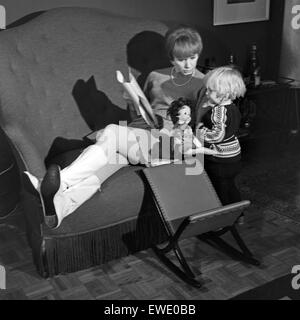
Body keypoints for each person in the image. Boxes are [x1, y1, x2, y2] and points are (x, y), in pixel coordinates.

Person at [25, 25, 212, 229]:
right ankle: (61, 208)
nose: (187, 64)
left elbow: (199, 126)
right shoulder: (155, 77)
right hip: (144, 135)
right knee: (108, 163)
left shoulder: (203, 83)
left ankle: (60, 181)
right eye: (181, 58)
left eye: (192, 57)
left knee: (112, 132)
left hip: (170, 145)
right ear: (171, 57)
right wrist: (133, 101)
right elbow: (141, 115)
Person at [197, 66, 246, 209]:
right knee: (230, 186)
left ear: (225, 93)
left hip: (220, 159)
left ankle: (223, 218)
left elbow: (217, 135)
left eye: (210, 90)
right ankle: (239, 214)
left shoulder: (218, 111)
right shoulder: (233, 108)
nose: (206, 93)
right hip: (234, 156)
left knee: (220, 190)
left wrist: (202, 132)